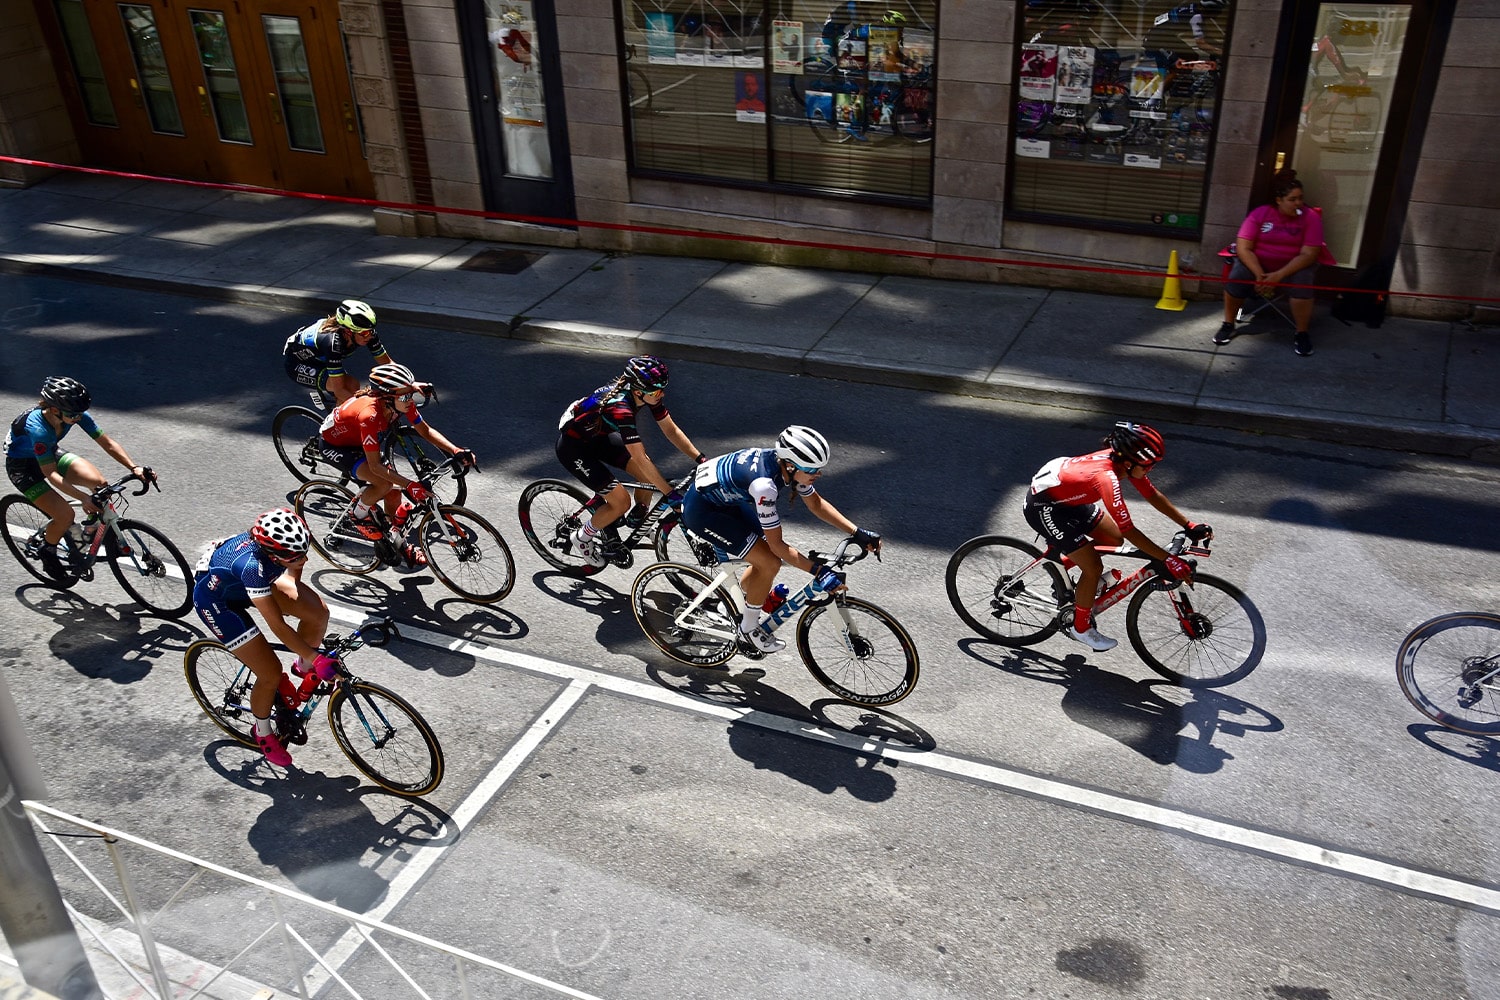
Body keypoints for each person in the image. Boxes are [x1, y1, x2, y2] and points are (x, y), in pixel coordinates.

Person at [681, 425, 881, 654]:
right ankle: (748, 629)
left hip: (726, 500)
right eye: (812, 468)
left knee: (764, 555)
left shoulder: (788, 467)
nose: (818, 474)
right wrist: (818, 571)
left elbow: (815, 504)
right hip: (704, 512)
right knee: (770, 561)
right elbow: (778, 546)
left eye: (820, 468)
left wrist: (856, 531)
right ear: (790, 465)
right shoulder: (765, 486)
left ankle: (736, 604)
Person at [1023, 422, 1212, 652]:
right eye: (1149, 465)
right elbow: (1129, 529)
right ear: (1130, 462)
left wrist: (1188, 524)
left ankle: (1060, 571)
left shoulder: (1124, 462)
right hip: (1044, 507)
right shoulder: (1106, 478)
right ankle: (1080, 628)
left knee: (1112, 539)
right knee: (1093, 568)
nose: (1151, 469)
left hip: (1066, 497)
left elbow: (1152, 495)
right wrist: (1168, 559)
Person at [192, 509, 331, 767]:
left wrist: (295, 565)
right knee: (270, 673)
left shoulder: (280, 550)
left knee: (318, 613)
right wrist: (318, 658)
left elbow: (292, 579)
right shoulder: (251, 567)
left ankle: (302, 668)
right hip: (217, 602)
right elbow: (277, 625)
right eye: (296, 556)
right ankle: (263, 733)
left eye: (305, 550)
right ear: (274, 553)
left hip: (246, 584)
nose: (305, 558)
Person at [315, 363, 474, 566]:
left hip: (359, 441)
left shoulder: (398, 401)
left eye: (411, 394)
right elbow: (375, 467)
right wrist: (410, 484)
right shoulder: (369, 416)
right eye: (406, 396)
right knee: (384, 484)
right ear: (387, 398)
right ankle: (358, 515)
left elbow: (425, 431)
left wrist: (455, 450)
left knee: (393, 493)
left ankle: (397, 542)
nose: (411, 400)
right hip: (335, 446)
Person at [556, 356, 708, 568]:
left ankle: (639, 515)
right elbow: (638, 457)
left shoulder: (646, 394)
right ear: (638, 391)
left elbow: (671, 431)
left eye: (662, 389)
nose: (661, 394)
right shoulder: (621, 407)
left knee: (647, 474)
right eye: (656, 391)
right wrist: (669, 494)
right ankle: (582, 537)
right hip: (575, 448)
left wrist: (701, 459)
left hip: (598, 437)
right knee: (620, 502)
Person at [4, 376, 156, 582]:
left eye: (80, 413)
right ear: (55, 409)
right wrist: (83, 498)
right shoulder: (38, 430)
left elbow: (107, 443)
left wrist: (134, 467)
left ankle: (90, 532)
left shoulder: (74, 413)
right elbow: (51, 474)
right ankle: (47, 551)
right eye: (73, 414)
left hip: (50, 453)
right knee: (65, 515)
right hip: (23, 468)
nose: (78, 417)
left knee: (100, 484)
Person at [1215, 168, 1333, 357]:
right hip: (1259, 265)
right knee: (1237, 275)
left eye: (1300, 198)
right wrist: (1259, 274)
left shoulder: (1310, 217)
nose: (1298, 203)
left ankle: (1302, 332)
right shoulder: (1260, 214)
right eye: (1292, 200)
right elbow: (1243, 247)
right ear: (1279, 200)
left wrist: (1278, 275)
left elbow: (1309, 254)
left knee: (1304, 279)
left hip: (1293, 265)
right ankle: (1228, 324)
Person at [282, 299, 391, 405]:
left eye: (371, 331)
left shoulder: (366, 332)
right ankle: (334, 423)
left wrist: (406, 382)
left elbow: (388, 365)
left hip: (322, 358)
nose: (370, 336)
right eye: (365, 333)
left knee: (351, 390)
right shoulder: (332, 343)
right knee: (350, 386)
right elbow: (340, 390)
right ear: (348, 332)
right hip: (297, 363)